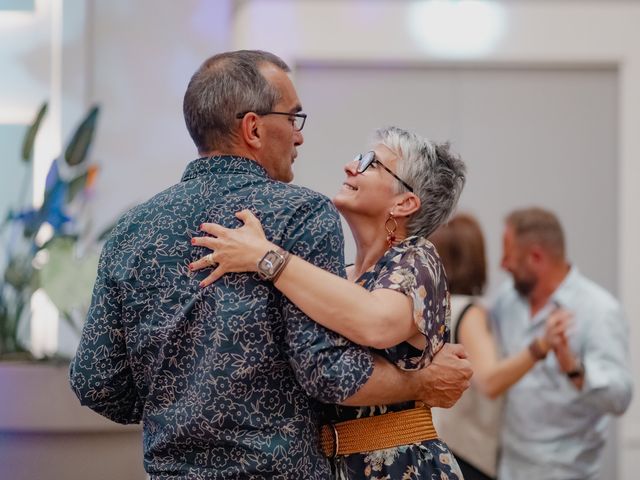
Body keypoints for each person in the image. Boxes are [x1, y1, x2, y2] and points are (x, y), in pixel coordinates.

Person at [69, 50, 472, 479]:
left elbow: (96, 381)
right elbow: (330, 373)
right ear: (254, 128)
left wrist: (176, 408)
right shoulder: (300, 214)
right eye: (293, 119)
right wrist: (422, 382)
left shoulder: (131, 229)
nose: (299, 137)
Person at [190, 126, 467, 479]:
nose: (351, 167)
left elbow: (376, 322)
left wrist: (266, 257)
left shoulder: (417, 258)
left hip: (402, 465)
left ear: (405, 202)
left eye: (371, 163)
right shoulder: (338, 275)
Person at [491, 207, 633, 480]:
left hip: (565, 472)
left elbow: (620, 399)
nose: (503, 265)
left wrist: (573, 367)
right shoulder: (506, 300)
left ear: (535, 257)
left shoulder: (599, 310)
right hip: (508, 468)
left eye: (509, 255)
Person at [429, 213, 569, 480]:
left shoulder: (431, 311)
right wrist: (540, 346)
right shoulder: (468, 313)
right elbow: (489, 382)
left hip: (438, 450)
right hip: (465, 456)